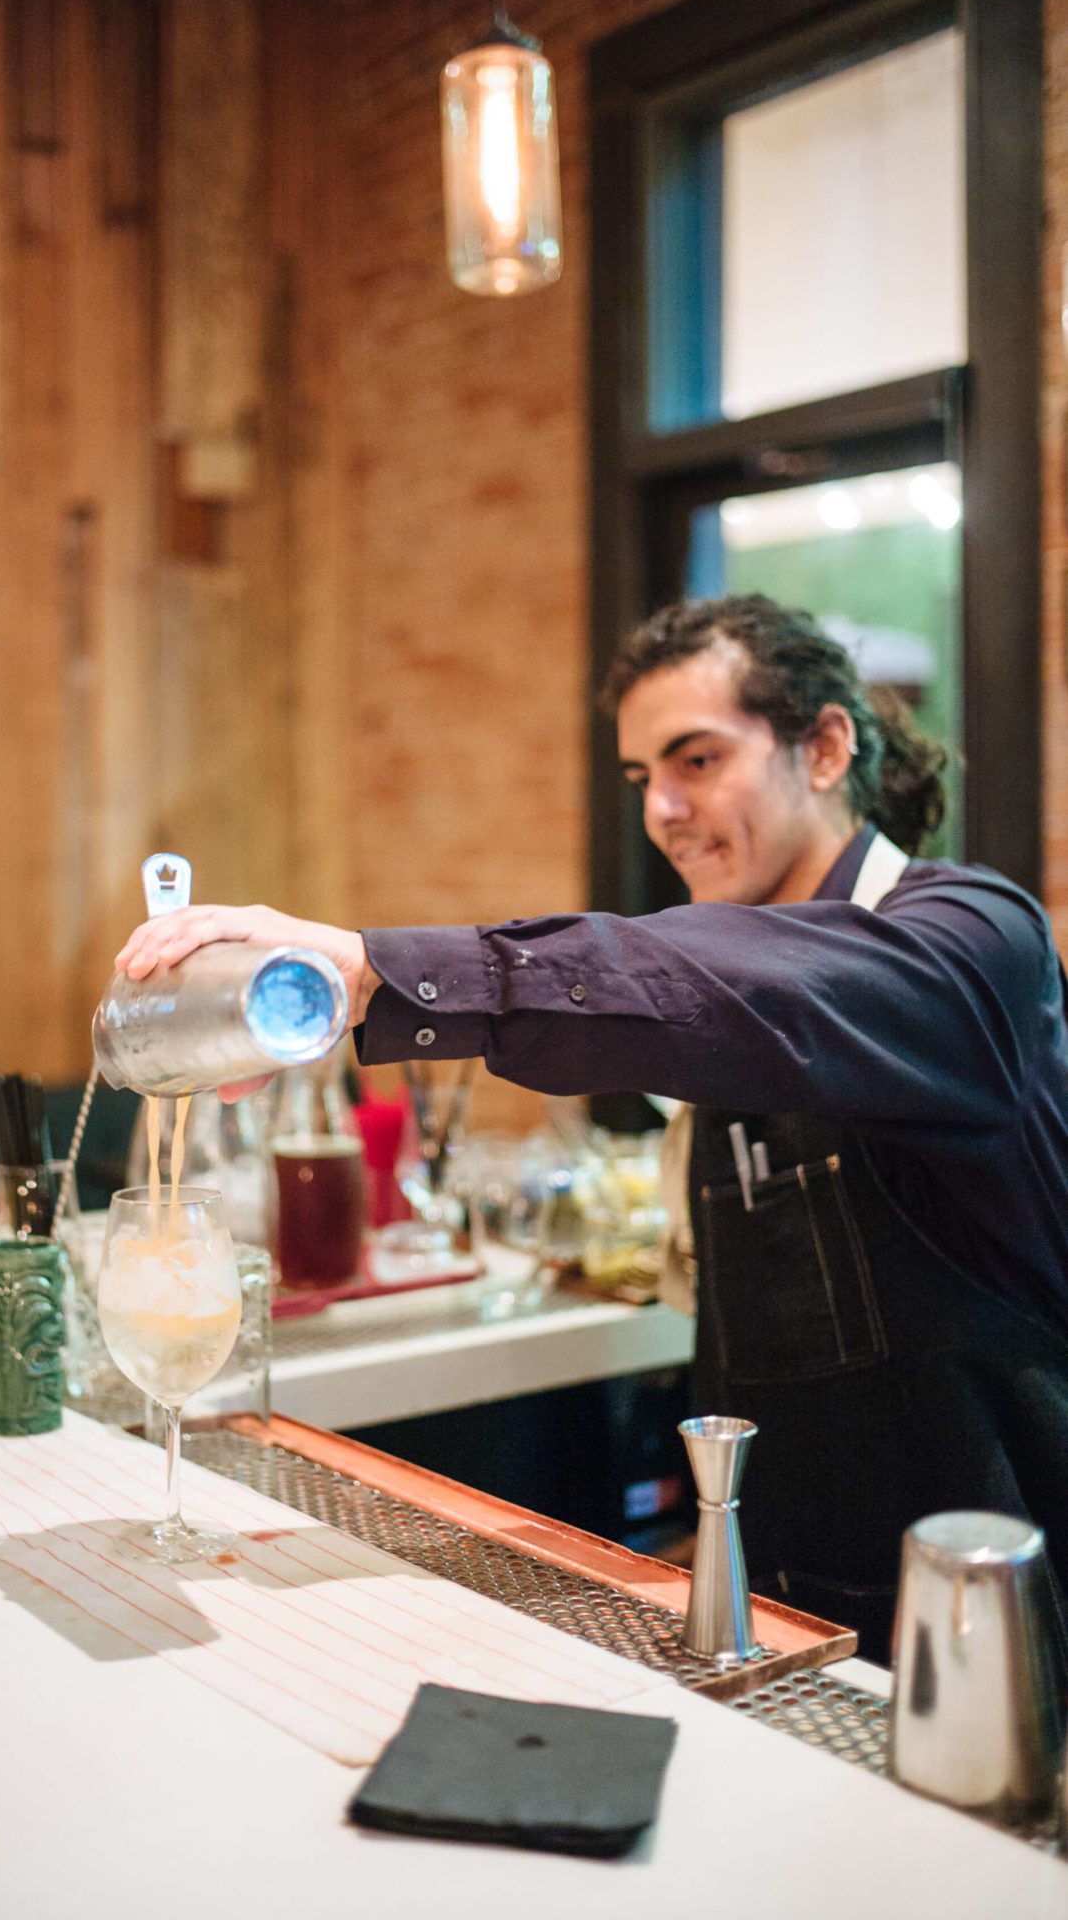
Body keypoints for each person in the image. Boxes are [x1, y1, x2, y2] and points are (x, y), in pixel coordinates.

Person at [113, 593, 1068, 1663]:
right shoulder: (741, 978)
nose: (661, 808)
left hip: (991, 1637)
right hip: (788, 1613)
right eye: (640, 778)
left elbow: (750, 984)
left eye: (696, 760)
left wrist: (382, 969)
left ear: (827, 746)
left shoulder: (972, 942)